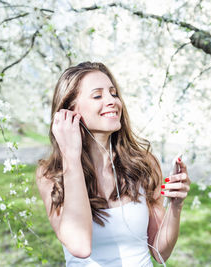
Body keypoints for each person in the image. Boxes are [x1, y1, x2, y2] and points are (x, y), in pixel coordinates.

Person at [36, 62, 191, 266]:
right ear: (69, 110)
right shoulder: (51, 175)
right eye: (98, 96)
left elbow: (161, 253)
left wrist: (175, 206)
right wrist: (71, 158)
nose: (112, 101)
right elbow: (80, 246)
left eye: (114, 93)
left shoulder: (143, 164)